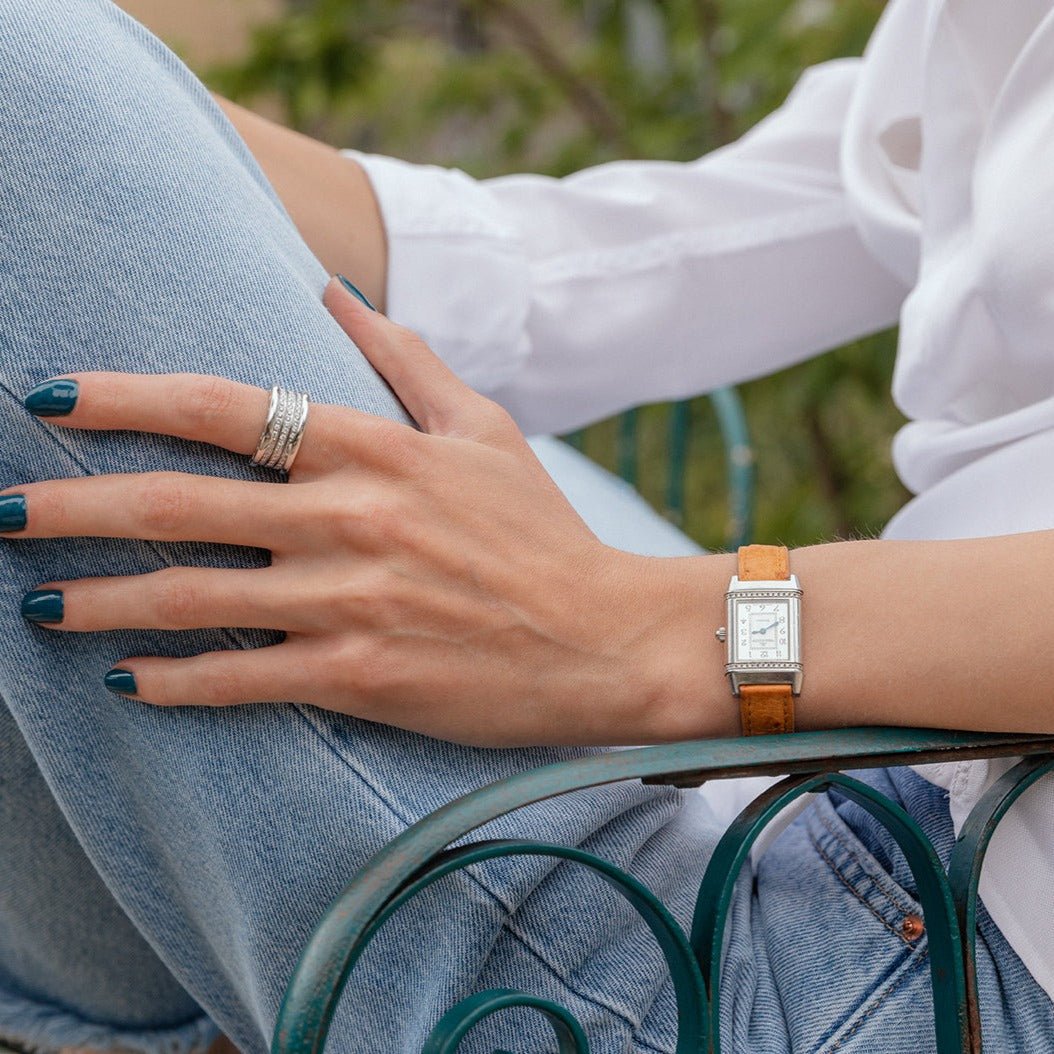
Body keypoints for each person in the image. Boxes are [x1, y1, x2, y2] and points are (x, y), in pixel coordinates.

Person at [3, 0, 1054, 1052]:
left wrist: (641, 628)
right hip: (845, 789)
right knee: (442, 470)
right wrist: (149, 137)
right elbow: (612, 262)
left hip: (944, 977)